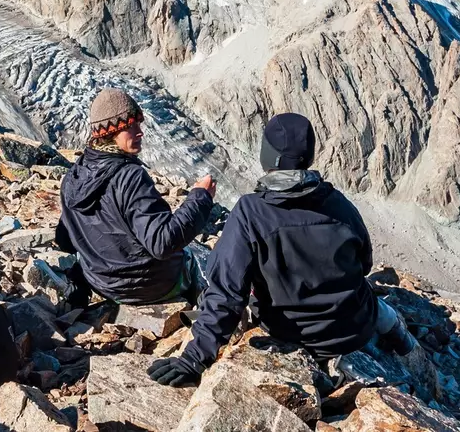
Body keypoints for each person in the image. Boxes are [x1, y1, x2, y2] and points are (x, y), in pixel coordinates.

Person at [147, 112, 416, 386]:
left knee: (241, 297)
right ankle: (405, 343)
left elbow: (227, 294)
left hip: (291, 331)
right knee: (372, 299)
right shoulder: (339, 204)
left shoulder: (251, 212)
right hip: (353, 329)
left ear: (268, 156)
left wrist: (194, 359)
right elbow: (365, 265)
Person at [54, 88, 217, 306]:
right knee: (196, 254)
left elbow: (65, 241)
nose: (140, 132)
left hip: (103, 285)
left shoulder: (74, 176)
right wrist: (200, 198)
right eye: (130, 127)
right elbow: (162, 244)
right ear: (110, 133)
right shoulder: (130, 176)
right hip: (151, 286)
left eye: (138, 124)